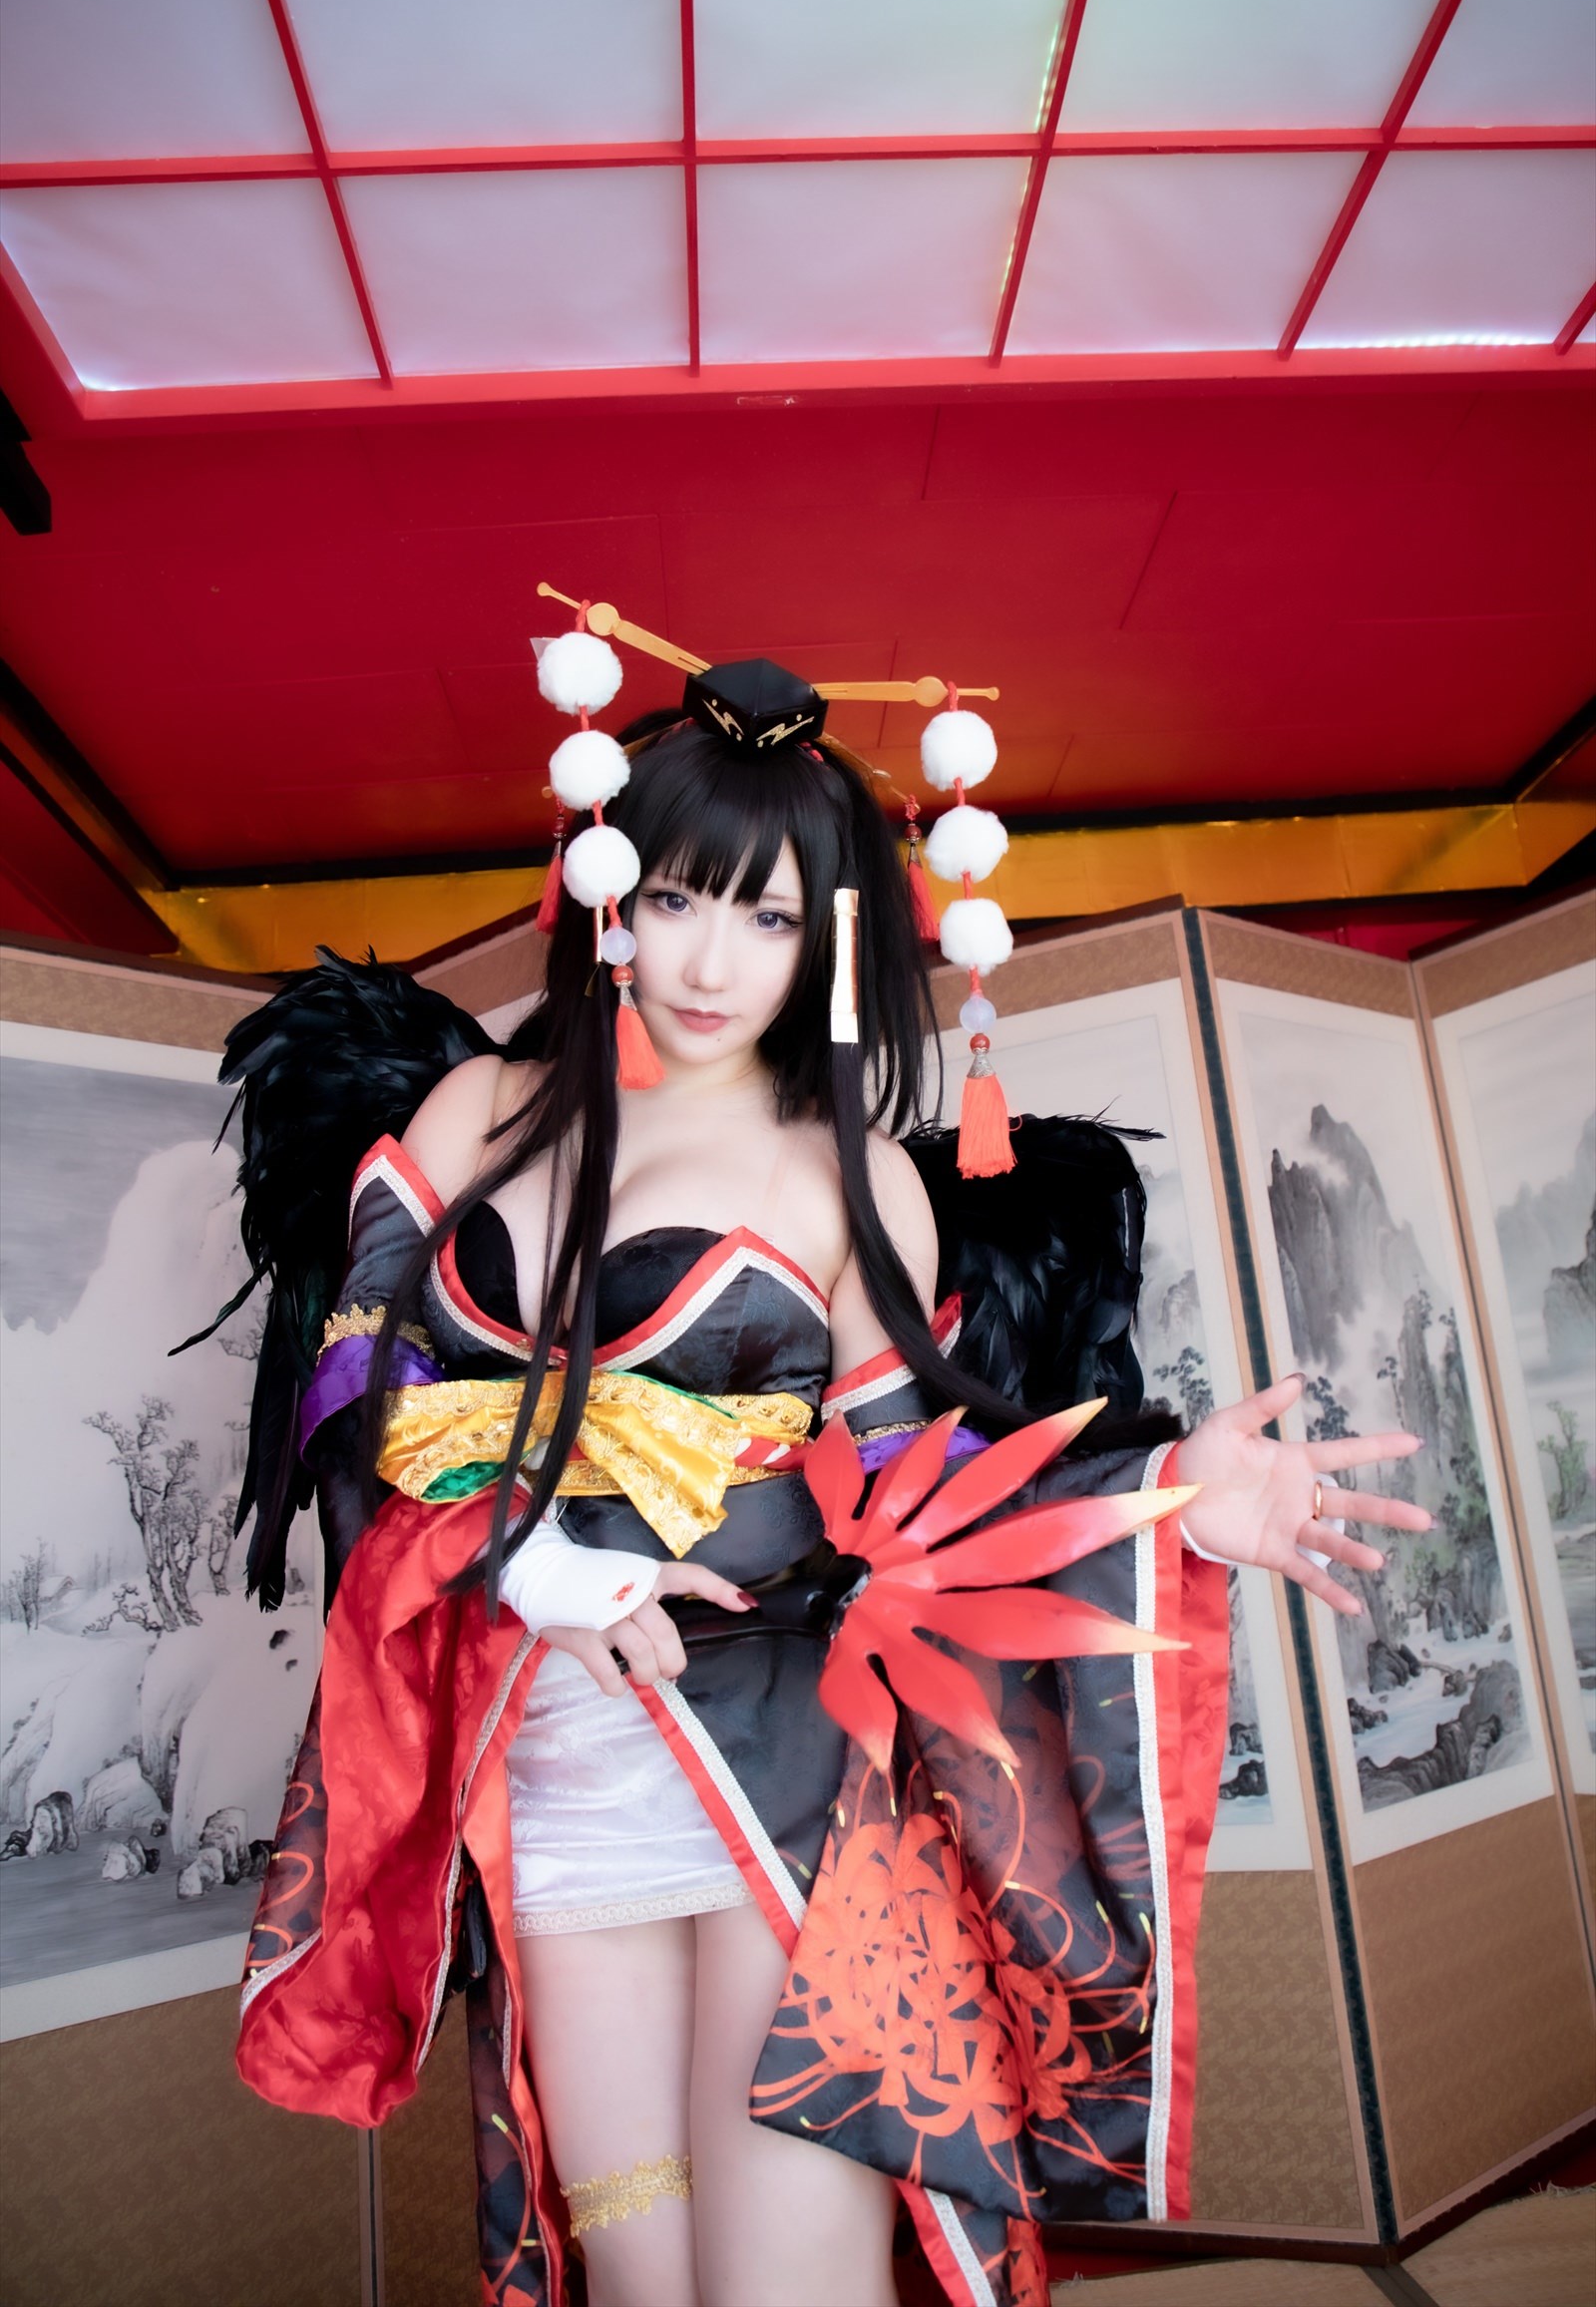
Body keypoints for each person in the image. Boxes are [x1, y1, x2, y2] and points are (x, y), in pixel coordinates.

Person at [226, 646, 1427, 2307]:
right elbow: (354, 1395)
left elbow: (924, 1510)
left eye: (772, 917)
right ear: (605, 884)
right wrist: (541, 1566)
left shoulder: (848, 1177)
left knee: (785, 2288)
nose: (711, 961)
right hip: (553, 1789)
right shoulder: (476, 1114)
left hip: (786, 1797)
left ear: (834, 939)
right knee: (636, 2282)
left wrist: (1167, 1501)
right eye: (677, 897)